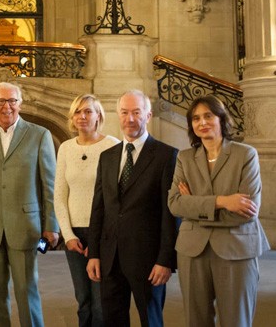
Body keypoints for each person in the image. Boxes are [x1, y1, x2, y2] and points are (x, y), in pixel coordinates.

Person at [167, 95, 269, 327]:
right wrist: (222, 201)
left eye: (208, 116)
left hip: (237, 248)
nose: (201, 122)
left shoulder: (246, 154)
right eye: (195, 118)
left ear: (221, 119)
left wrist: (195, 204)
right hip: (193, 250)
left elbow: (247, 210)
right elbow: (175, 204)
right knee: (197, 321)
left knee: (237, 321)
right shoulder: (184, 158)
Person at [86, 89, 178, 327]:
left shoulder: (166, 156)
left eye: (137, 112)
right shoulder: (107, 157)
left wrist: (165, 259)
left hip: (148, 260)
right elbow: (99, 209)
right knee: (113, 320)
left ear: (148, 116)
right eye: (125, 112)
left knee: (151, 320)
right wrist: (94, 253)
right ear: (118, 115)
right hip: (110, 257)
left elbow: (170, 214)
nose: (130, 119)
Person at [0, 82, 59, 327]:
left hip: (26, 227)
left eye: (12, 101)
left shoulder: (39, 135)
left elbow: (49, 184)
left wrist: (51, 224)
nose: (6, 106)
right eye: (1, 101)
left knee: (26, 291)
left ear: (21, 104)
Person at [54, 94, 119, 327]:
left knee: (102, 301)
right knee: (83, 300)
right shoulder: (65, 148)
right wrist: (68, 236)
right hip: (74, 234)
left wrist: (101, 238)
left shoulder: (112, 145)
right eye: (78, 111)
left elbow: (115, 197)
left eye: (88, 111)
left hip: (101, 232)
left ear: (98, 116)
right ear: (72, 117)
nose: (82, 116)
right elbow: (59, 196)